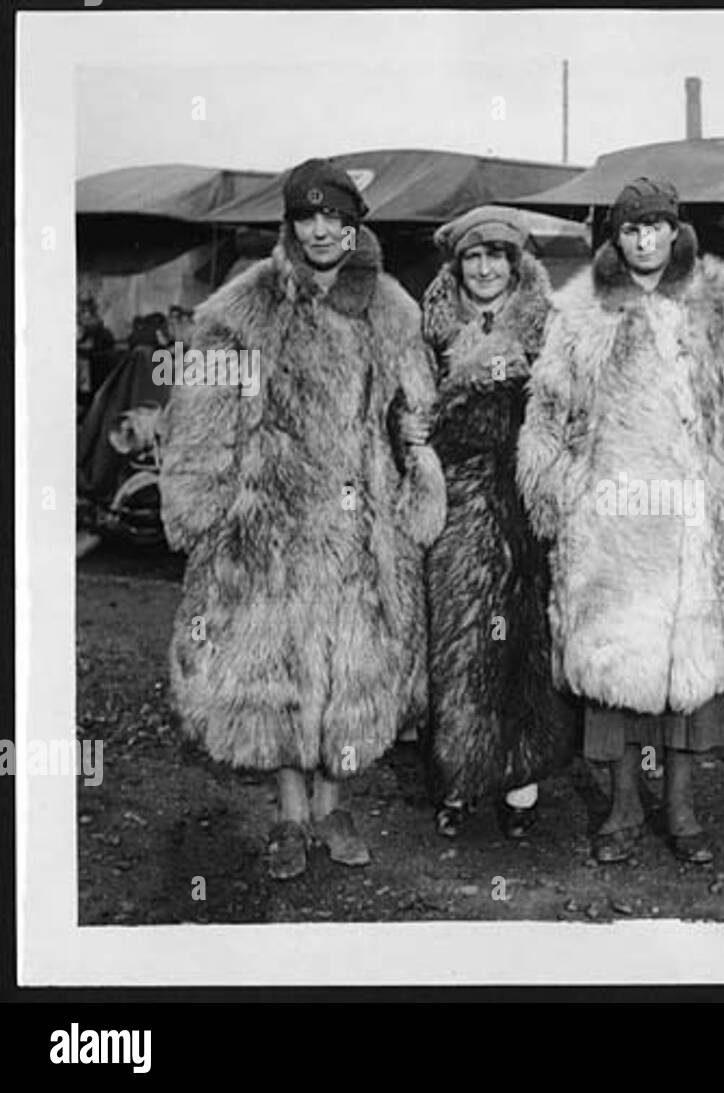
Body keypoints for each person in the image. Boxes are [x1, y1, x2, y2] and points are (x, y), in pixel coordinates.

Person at [159, 158, 447, 880]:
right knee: (277, 667)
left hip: (359, 529)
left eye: (336, 218)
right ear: (289, 223)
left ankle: (334, 804)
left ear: (355, 225)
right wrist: (202, 509)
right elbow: (201, 420)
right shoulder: (240, 310)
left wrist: (412, 447)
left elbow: (414, 405)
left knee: (351, 669)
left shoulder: (392, 308)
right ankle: (290, 815)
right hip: (271, 532)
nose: (322, 230)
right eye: (308, 217)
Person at [517, 177, 724, 865]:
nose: (644, 241)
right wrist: (566, 501)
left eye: (656, 227)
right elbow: (548, 415)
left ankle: (679, 805)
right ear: (615, 237)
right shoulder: (580, 310)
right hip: (611, 530)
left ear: (676, 231)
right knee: (616, 669)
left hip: (697, 528)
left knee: (688, 670)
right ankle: (619, 806)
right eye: (631, 229)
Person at [416, 206, 579, 839]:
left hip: (523, 501)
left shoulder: (547, 326)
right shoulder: (429, 326)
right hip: (456, 504)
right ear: (457, 266)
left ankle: (521, 780)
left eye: (497, 256)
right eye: (473, 258)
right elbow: (408, 406)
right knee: (456, 640)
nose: (484, 269)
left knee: (521, 640)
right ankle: (457, 778)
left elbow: (571, 408)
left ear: (516, 264)